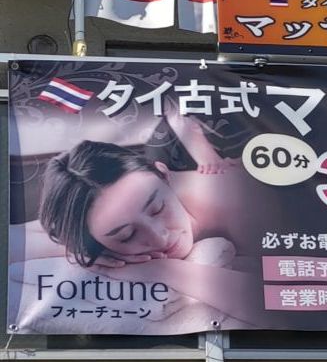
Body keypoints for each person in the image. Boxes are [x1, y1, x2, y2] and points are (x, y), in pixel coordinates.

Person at [11, 116, 266, 325]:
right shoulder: (100, 221)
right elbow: (10, 240)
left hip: (192, 137)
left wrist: (163, 269)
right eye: (127, 235)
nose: (159, 237)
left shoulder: (238, 204)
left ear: (164, 176)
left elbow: (275, 305)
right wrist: (81, 251)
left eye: (157, 209)